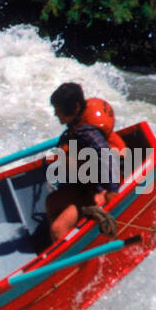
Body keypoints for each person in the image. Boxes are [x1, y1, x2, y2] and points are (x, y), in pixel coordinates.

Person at [41, 83, 123, 246]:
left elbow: (107, 157)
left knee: (58, 227)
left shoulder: (87, 132)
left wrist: (111, 193)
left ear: (76, 107)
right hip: (87, 186)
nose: (55, 113)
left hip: (101, 189)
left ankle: (66, 263)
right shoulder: (76, 125)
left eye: (59, 108)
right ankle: (66, 244)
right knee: (52, 201)